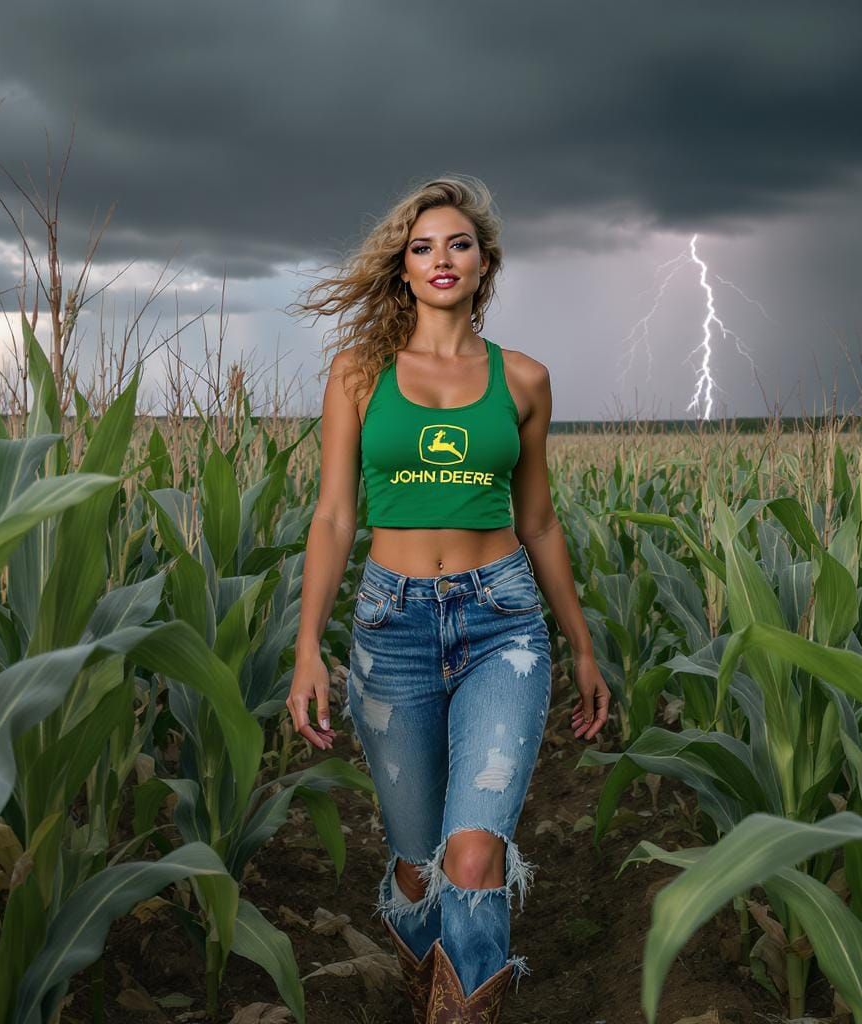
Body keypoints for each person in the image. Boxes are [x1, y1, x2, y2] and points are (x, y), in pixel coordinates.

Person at [286, 175, 610, 1023]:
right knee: (415, 866)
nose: (441, 258)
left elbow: (539, 521)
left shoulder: (525, 380)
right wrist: (307, 645)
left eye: (458, 244)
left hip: (502, 624)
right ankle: (426, 987)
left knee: (471, 856)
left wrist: (579, 645)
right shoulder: (359, 375)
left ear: (484, 263)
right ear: (403, 267)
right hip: (391, 628)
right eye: (422, 246)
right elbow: (334, 515)